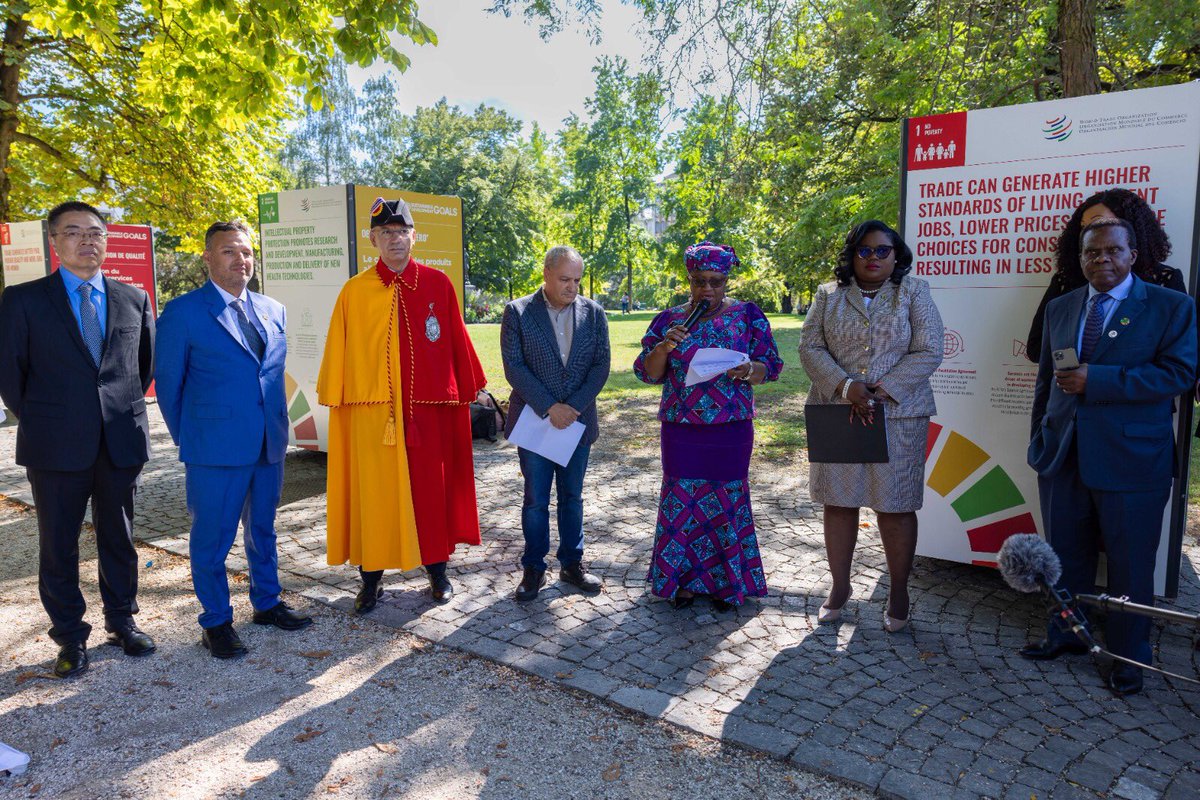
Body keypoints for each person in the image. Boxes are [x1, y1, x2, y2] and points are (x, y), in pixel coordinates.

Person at [1024, 218, 1196, 696]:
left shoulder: (1171, 307)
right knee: (1063, 557)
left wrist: (1097, 379)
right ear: (1080, 258)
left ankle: (1128, 656)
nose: (1102, 260)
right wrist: (1039, 438)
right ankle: (1066, 636)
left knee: (1130, 564)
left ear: (1132, 254)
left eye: (1113, 251)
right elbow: (1044, 382)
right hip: (1063, 454)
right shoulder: (1061, 306)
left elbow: (1178, 375)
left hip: (1132, 459)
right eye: (1092, 253)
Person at [0, 201, 155, 677]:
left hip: (119, 439)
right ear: (54, 242)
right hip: (54, 443)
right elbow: (10, 375)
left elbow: (142, 368)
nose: (87, 241)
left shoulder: (134, 299)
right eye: (73, 232)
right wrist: (52, 419)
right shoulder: (22, 300)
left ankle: (122, 620)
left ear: (106, 241)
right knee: (59, 543)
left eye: (95, 233)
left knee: (120, 536)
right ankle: (69, 635)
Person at [318, 197, 486, 612]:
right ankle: (370, 581)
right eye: (386, 233)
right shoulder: (354, 292)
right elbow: (339, 351)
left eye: (402, 232)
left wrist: (471, 386)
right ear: (372, 239)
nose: (395, 240)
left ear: (414, 236)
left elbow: (454, 342)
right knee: (374, 497)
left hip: (428, 413)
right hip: (372, 415)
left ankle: (438, 573)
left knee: (431, 492)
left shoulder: (437, 284)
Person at [155, 220, 312, 659]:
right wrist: (194, 440)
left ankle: (266, 602)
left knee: (263, 528)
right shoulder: (183, 313)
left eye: (246, 252)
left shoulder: (272, 309)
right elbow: (168, 386)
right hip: (214, 450)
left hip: (268, 444)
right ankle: (216, 622)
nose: (241, 260)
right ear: (207, 257)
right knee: (213, 537)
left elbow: (270, 377)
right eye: (229, 252)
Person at [799, 220, 943, 633]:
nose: (874, 257)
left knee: (895, 506)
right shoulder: (828, 295)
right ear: (852, 255)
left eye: (883, 250)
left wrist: (881, 390)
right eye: (865, 250)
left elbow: (929, 348)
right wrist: (847, 387)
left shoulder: (914, 291)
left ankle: (899, 590)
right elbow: (810, 346)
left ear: (897, 255)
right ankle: (840, 587)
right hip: (837, 410)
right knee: (839, 502)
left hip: (899, 414)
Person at [633, 241, 783, 612]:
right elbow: (648, 374)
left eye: (716, 282)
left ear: (727, 280)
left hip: (730, 429)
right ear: (689, 279)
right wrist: (664, 349)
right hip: (682, 429)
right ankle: (680, 582)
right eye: (699, 281)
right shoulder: (670, 320)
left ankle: (724, 583)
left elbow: (772, 365)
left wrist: (749, 369)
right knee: (680, 499)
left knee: (726, 500)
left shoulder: (748, 315)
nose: (707, 290)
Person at [500, 246, 611, 601]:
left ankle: (572, 564)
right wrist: (550, 407)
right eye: (565, 279)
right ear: (546, 273)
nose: (572, 287)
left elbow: (600, 366)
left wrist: (572, 407)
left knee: (572, 498)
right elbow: (514, 366)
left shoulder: (594, 314)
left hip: (577, 425)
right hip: (535, 423)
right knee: (535, 501)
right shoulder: (517, 312)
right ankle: (534, 568)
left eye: (577, 280)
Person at [1025, 188, 1184, 363]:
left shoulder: (1164, 282)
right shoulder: (1067, 281)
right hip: (1072, 389)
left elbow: (1176, 365)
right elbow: (1037, 349)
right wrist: (1072, 368)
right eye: (1084, 227)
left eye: (1098, 222)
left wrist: (1099, 377)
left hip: (1132, 390)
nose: (1090, 232)